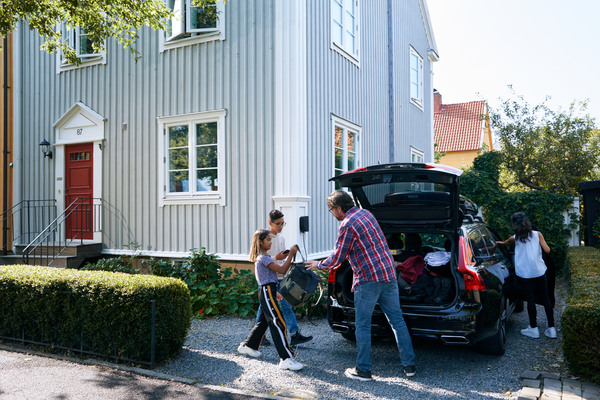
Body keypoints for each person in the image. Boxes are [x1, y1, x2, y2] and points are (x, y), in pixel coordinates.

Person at [306, 190, 416, 381]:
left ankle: (363, 370)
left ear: (339, 208)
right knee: (397, 321)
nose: (332, 213)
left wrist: (318, 264)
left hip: (368, 280)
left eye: (331, 209)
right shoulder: (367, 214)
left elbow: (338, 257)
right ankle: (410, 366)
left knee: (362, 325)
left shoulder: (347, 225)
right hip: (389, 275)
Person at [237, 229, 304, 370]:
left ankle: (248, 346)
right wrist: (291, 254)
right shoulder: (263, 258)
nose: (270, 242)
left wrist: (274, 292)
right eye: (268, 240)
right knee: (277, 323)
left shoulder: (263, 256)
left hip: (268, 291)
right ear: (260, 242)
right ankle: (286, 359)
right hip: (267, 291)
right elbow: (282, 271)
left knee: (263, 322)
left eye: (270, 239)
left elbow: (268, 278)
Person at [256, 210, 313, 347]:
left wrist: (285, 265)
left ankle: (293, 335)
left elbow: (280, 261)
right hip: (269, 278)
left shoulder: (281, 238)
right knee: (265, 306)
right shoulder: (265, 238)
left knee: (282, 306)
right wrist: (278, 258)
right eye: (278, 224)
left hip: (281, 276)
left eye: (283, 223)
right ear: (270, 223)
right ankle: (260, 336)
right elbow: (264, 259)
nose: (281, 227)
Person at [496, 212, 556, 339]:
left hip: (525, 274)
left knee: (531, 300)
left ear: (515, 224)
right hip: (539, 272)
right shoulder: (537, 234)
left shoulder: (515, 238)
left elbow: (505, 243)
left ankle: (533, 329)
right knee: (546, 299)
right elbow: (547, 250)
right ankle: (552, 329)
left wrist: (496, 244)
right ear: (527, 222)